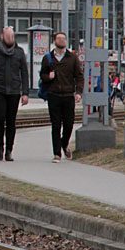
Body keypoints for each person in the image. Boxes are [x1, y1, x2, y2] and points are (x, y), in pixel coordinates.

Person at [0, 26, 29, 162]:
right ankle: (0, 148)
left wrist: (25, 93)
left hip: (14, 91)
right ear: (2, 36)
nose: (10, 39)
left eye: (12, 37)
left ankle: (9, 150)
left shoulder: (19, 52)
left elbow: (24, 73)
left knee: (11, 122)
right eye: (8, 37)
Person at [39, 32, 84, 163]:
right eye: (59, 38)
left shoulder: (72, 57)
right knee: (56, 125)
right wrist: (48, 77)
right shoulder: (48, 58)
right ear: (54, 41)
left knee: (69, 124)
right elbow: (42, 75)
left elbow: (79, 76)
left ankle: (64, 144)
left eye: (64, 39)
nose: (62, 41)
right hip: (53, 95)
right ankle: (57, 153)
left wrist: (78, 92)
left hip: (68, 95)